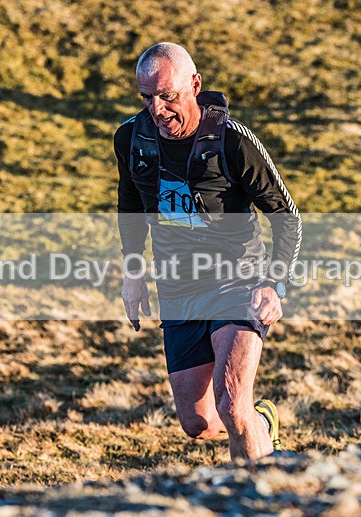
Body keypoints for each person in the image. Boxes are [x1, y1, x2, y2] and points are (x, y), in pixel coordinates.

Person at [114, 42, 302, 459]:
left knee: (232, 402)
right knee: (198, 423)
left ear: (195, 85)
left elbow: (286, 216)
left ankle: (258, 505)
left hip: (239, 282)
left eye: (168, 96)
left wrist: (275, 284)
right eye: (147, 98)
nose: (158, 110)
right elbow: (130, 205)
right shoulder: (131, 138)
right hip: (179, 290)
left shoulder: (232, 141)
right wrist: (132, 273)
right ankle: (263, 423)